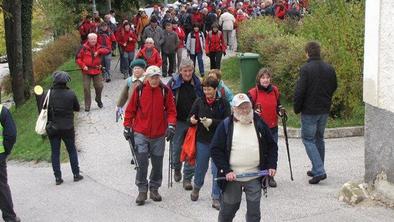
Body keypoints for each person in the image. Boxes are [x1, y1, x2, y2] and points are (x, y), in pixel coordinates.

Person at [211, 93, 278, 222]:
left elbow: (272, 146)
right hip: (232, 177)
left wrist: (271, 165)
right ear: (234, 109)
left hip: (255, 175)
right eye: (240, 107)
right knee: (228, 211)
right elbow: (215, 150)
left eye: (247, 106)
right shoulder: (225, 125)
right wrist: (226, 170)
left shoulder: (259, 122)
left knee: (254, 214)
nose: (245, 110)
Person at [123, 66, 177, 206]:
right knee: (142, 163)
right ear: (147, 77)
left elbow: (171, 111)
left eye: (157, 77)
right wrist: (127, 127)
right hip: (141, 132)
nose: (154, 80)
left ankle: (154, 188)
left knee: (157, 164)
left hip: (159, 134)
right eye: (152, 77)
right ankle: (142, 189)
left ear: (160, 77)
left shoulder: (165, 91)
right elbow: (130, 110)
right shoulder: (139, 90)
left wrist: (171, 126)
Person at [293, 41, 337, 184]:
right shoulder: (329, 68)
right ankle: (317, 167)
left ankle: (319, 170)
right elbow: (334, 86)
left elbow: (300, 90)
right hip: (324, 109)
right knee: (319, 138)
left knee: (308, 139)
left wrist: (297, 107)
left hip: (310, 110)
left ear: (307, 53)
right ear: (319, 52)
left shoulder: (305, 69)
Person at [189, 76, 231, 210]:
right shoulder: (199, 101)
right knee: (200, 167)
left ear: (215, 89)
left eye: (209, 89)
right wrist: (192, 120)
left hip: (218, 142)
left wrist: (212, 122)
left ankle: (216, 197)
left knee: (217, 169)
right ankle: (197, 187)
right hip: (203, 140)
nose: (207, 92)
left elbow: (227, 122)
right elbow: (190, 117)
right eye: (205, 89)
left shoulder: (223, 103)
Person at [167, 59, 203, 191]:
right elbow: (167, 102)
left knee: (191, 150)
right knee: (176, 149)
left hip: (193, 122)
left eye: (190, 70)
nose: (188, 73)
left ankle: (187, 178)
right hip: (178, 120)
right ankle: (177, 167)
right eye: (185, 71)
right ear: (180, 71)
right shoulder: (173, 83)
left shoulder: (198, 83)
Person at [44, 71, 83, 185]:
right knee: (71, 150)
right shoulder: (70, 93)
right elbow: (77, 108)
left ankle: (58, 178)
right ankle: (76, 174)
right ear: (66, 81)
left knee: (55, 153)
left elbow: (44, 110)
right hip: (68, 127)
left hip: (53, 128)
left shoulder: (49, 94)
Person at [248, 68, 285, 188]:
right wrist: (253, 112)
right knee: (260, 152)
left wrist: (280, 111)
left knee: (272, 151)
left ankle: (271, 175)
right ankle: (260, 175)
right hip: (258, 128)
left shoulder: (274, 90)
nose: (265, 80)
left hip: (273, 126)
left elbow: (278, 105)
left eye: (267, 77)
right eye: (263, 77)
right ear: (259, 79)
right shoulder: (253, 93)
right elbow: (246, 110)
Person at [76, 33, 110, 112]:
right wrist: (83, 65)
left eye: (94, 39)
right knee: (86, 88)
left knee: (99, 86)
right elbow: (78, 58)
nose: (93, 40)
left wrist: (98, 51)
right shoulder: (83, 48)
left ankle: (98, 99)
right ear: (88, 39)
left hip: (97, 70)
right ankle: (87, 105)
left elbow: (108, 50)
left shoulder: (99, 46)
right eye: (91, 39)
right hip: (86, 70)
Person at [0, 101, 20, 222]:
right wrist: (5, 151)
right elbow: (11, 134)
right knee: (1, 186)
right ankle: (10, 218)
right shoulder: (2, 111)